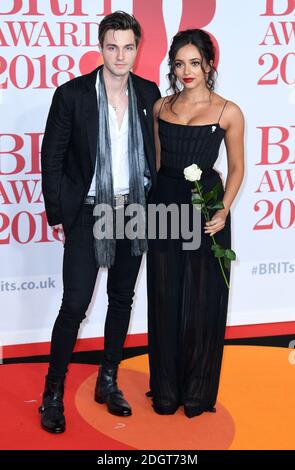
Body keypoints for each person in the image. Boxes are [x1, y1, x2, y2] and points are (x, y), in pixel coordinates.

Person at [40, 11, 160, 433]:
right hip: (89, 212)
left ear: (136, 49)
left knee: (122, 298)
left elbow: (156, 155)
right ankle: (52, 393)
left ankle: (107, 381)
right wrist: (61, 215)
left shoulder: (148, 92)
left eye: (128, 47)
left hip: (134, 210)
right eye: (113, 46)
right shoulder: (72, 95)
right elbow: (51, 157)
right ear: (100, 47)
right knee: (74, 305)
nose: (121, 55)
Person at [147, 29, 244, 418]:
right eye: (179, 63)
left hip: (207, 211)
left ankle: (199, 391)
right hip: (163, 207)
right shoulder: (159, 108)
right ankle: (166, 389)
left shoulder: (228, 112)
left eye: (194, 63)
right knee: (165, 296)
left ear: (209, 65)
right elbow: (155, 165)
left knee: (203, 300)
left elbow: (236, 167)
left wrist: (223, 209)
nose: (186, 71)